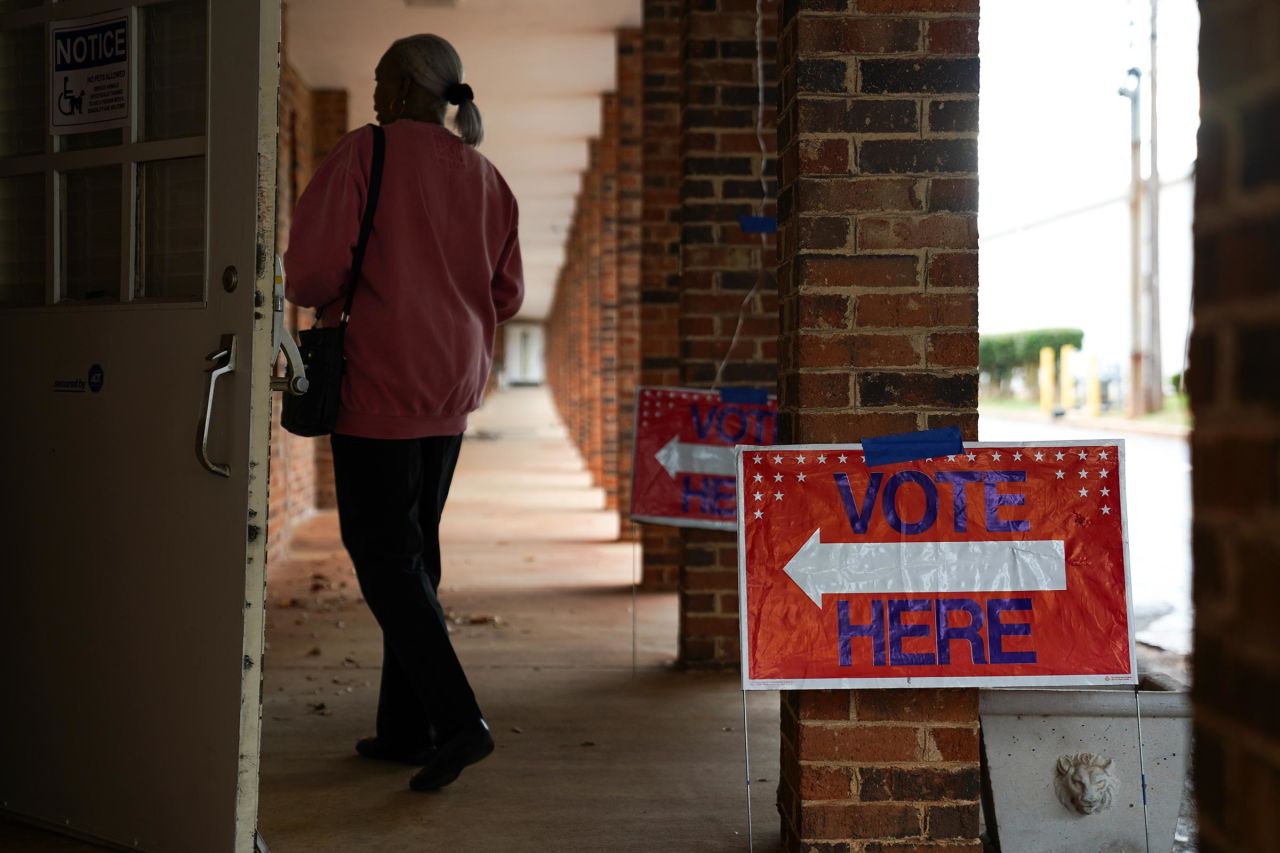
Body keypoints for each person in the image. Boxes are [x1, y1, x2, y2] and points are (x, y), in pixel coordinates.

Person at [284, 33, 523, 791]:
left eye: (386, 80)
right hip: (451, 388)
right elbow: (507, 293)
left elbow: (313, 270)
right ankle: (405, 726)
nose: (378, 92)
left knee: (384, 556)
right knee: (416, 549)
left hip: (381, 383)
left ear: (415, 88)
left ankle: (458, 720)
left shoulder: (368, 153)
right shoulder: (488, 179)